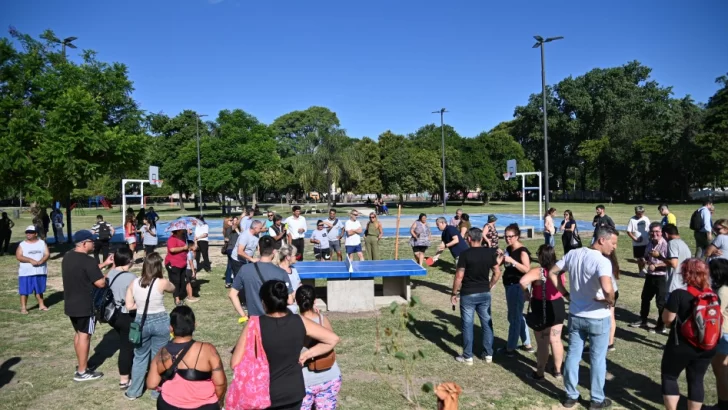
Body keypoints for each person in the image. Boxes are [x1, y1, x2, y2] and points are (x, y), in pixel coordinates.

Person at [230, 280, 340, 410]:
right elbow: (332, 339)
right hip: (294, 392)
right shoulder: (300, 321)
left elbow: (235, 363)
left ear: (264, 303)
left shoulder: (254, 325)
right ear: (286, 300)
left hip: (265, 393)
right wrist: (307, 354)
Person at [548, 226, 617, 409]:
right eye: (613, 242)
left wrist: (565, 294)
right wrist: (609, 301)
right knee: (597, 359)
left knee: (573, 355)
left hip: (576, 315)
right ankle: (596, 399)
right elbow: (608, 289)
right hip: (598, 317)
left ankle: (571, 395)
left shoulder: (573, 254)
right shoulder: (602, 262)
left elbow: (552, 272)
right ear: (602, 240)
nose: (614, 247)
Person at [661, 259, 719, 410]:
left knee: (670, 376)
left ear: (685, 274)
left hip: (682, 344)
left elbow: (667, 320)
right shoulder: (713, 296)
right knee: (696, 380)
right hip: (707, 346)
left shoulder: (678, 295)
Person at [147, 306, 227, 410]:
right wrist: (219, 401)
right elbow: (220, 383)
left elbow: (151, 383)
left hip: (168, 404)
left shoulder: (161, 353)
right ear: (194, 325)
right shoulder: (207, 350)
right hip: (204, 405)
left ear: (171, 328)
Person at [124, 252, 176, 400]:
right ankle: (157, 391)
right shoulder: (162, 282)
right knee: (158, 357)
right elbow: (172, 288)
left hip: (141, 320)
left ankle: (134, 391)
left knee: (140, 357)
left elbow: (129, 305)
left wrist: (140, 305)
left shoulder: (134, 283)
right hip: (160, 320)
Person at [62, 230, 112, 381]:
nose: (94, 243)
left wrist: (104, 264)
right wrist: (111, 272)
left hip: (71, 304)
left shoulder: (68, 256)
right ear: (84, 243)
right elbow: (100, 283)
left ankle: (81, 365)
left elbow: (85, 271)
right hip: (86, 306)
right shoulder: (88, 261)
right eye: (92, 241)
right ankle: (82, 372)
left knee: (78, 334)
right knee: (85, 336)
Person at [451, 227, 503, 364]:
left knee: (467, 325)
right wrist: (490, 285)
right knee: (487, 323)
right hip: (484, 293)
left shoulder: (465, 254)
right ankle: (488, 354)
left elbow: (459, 276)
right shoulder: (489, 253)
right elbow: (497, 272)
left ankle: (468, 356)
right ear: (481, 238)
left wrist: (454, 293)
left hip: (468, 294)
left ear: (469, 239)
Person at [519, 245, 566, 380]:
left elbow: (522, 281)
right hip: (558, 305)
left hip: (542, 307)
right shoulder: (559, 270)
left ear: (541, 256)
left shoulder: (539, 271)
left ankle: (540, 372)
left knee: (543, 342)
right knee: (556, 340)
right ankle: (557, 371)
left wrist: (526, 292)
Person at [296, 285, 343, 410]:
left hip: (305, 382)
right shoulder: (323, 319)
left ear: (297, 302)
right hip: (330, 377)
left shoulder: (294, 324)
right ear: (315, 301)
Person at [228, 236, 293, 320]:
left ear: (258, 248)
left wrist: (243, 315)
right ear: (274, 251)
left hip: (254, 319)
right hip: (274, 321)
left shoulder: (245, 269)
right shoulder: (281, 273)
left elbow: (232, 295)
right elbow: (290, 301)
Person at [498, 224, 535, 356]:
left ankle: (510, 348)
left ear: (517, 236)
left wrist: (513, 261)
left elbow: (527, 269)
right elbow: (500, 264)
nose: (507, 239)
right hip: (509, 285)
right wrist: (500, 257)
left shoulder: (522, 251)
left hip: (518, 286)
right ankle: (527, 344)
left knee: (514, 317)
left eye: (510, 236)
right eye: (505, 236)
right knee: (516, 316)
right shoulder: (508, 249)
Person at [105, 247, 137, 390]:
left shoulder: (109, 274)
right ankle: (124, 379)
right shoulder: (131, 278)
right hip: (126, 315)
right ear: (129, 260)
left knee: (126, 342)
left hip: (113, 315)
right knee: (126, 347)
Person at [630, 222, 668, 333]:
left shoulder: (666, 245)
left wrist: (656, 265)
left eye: (657, 231)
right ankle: (643, 319)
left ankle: (661, 326)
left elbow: (670, 262)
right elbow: (648, 257)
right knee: (645, 298)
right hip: (650, 276)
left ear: (661, 232)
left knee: (660, 302)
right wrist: (644, 260)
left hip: (661, 277)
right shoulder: (650, 243)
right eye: (652, 231)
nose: (655, 233)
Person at [16, 225, 50, 313]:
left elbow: (47, 254)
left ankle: (41, 305)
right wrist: (30, 260)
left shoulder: (42, 243)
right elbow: (19, 256)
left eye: (30, 232)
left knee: (39, 289)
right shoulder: (22, 244)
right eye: (27, 232)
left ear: (35, 234)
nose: (28, 234)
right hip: (26, 272)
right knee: (24, 290)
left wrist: (42, 260)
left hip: (40, 271)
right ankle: (23, 308)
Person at [709, 259, 728, 410]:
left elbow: (717, 314)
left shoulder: (722, 290)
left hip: (723, 333)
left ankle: (723, 403)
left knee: (719, 369)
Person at [165, 229, 191, 306]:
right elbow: (172, 249)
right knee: (176, 281)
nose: (183, 230)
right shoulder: (172, 239)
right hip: (173, 264)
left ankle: (179, 295)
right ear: (178, 231)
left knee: (182, 281)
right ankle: (177, 299)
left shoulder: (183, 237)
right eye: (182, 229)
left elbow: (187, 247)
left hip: (182, 263)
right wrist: (183, 248)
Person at [276, 244, 302, 313]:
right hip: (284, 310)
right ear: (288, 257)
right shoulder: (277, 271)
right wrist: (294, 294)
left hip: (295, 308)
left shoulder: (293, 269)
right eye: (295, 255)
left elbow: (299, 284)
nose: (296, 257)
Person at [626, 205, 651, 276]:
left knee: (647, 257)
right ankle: (641, 271)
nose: (640, 215)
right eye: (638, 213)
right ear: (635, 212)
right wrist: (635, 238)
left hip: (646, 242)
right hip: (637, 243)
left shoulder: (646, 219)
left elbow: (649, 229)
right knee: (639, 258)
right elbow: (628, 231)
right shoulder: (632, 220)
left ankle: (646, 269)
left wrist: (650, 237)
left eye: (641, 213)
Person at [224, 217, 241, 289]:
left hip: (234, 249)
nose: (234, 222)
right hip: (231, 249)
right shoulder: (229, 228)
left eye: (236, 220)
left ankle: (229, 281)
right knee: (233, 265)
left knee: (231, 265)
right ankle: (232, 281)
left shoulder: (238, 229)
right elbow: (227, 238)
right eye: (232, 220)